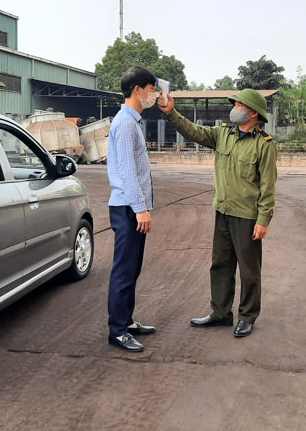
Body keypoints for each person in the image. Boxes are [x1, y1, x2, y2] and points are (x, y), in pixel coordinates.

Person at [158, 89, 277, 337]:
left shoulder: (264, 145)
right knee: (220, 265)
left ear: (253, 112)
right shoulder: (223, 134)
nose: (235, 108)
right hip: (222, 211)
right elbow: (194, 131)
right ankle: (220, 313)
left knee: (249, 271)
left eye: (239, 104)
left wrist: (263, 219)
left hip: (247, 216)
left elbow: (268, 186)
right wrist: (172, 113)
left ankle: (247, 316)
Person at [106, 66, 159, 352]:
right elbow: (127, 170)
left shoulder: (133, 121)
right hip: (127, 208)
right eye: (151, 89)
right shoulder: (126, 124)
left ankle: (126, 321)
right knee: (124, 271)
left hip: (132, 207)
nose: (153, 94)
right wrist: (141, 209)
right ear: (138, 90)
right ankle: (117, 330)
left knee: (132, 269)